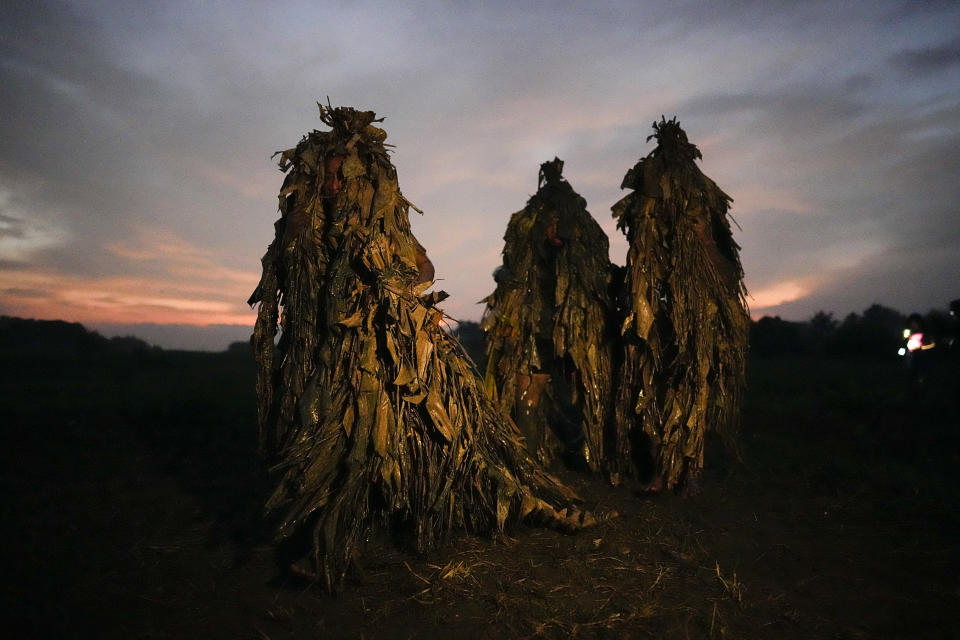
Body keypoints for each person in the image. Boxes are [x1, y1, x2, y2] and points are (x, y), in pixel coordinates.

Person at [248, 105, 608, 591]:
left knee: (411, 444)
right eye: (326, 176)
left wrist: (392, 286)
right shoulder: (302, 225)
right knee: (334, 443)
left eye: (341, 176)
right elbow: (288, 283)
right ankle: (332, 539)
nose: (333, 185)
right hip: (324, 357)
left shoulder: (383, 224)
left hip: (384, 356)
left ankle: (348, 539)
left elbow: (423, 265)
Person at [610, 117, 749, 494]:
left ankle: (689, 474)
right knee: (649, 390)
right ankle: (658, 471)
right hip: (654, 317)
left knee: (690, 393)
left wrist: (702, 237)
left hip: (695, 322)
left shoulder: (705, 225)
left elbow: (727, 274)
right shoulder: (647, 244)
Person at [482, 158, 614, 473]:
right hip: (536, 323)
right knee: (528, 386)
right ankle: (527, 461)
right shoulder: (524, 236)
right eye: (552, 223)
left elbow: (600, 274)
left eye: (563, 223)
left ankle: (590, 452)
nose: (558, 230)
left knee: (587, 387)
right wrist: (504, 281)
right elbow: (507, 268)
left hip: (578, 328)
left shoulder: (585, 240)